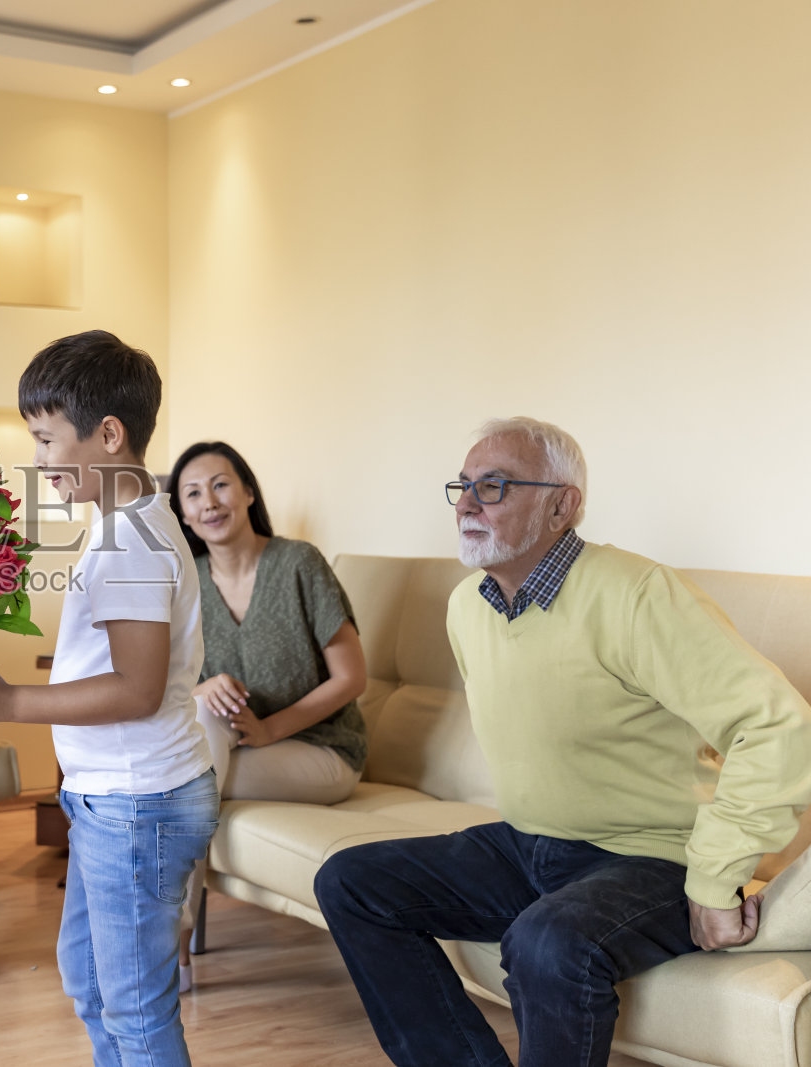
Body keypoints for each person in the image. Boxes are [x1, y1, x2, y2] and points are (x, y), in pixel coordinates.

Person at [313, 417, 811, 1067]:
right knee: (352, 881)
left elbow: (775, 724)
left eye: (492, 486)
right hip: (530, 844)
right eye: (462, 486)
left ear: (561, 504)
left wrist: (716, 878)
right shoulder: (468, 606)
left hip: (653, 856)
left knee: (546, 942)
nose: (466, 503)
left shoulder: (637, 594)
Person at [0, 329, 216, 1067]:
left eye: (45, 439)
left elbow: (136, 687)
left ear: (108, 434)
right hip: (119, 798)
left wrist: (10, 702)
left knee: (134, 1010)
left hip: (139, 803)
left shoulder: (128, 536)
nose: (37, 461)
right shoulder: (126, 522)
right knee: (92, 982)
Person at [166, 441, 368, 988]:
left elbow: (353, 678)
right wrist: (204, 686)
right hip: (233, 747)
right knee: (196, 757)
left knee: (184, 783)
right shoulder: (188, 584)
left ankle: (169, 943)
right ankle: (173, 941)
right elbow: (175, 684)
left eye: (221, 484)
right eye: (192, 493)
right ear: (182, 513)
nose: (209, 501)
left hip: (323, 754)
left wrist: (271, 727)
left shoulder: (298, 562)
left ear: (249, 492)